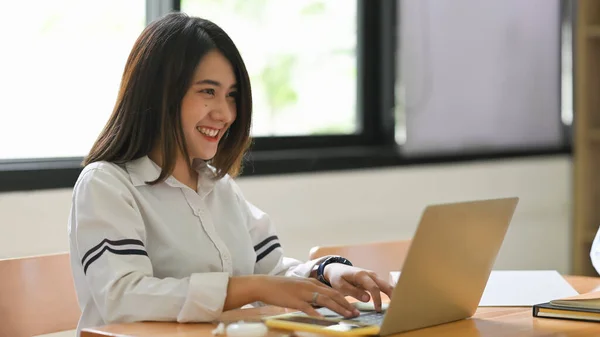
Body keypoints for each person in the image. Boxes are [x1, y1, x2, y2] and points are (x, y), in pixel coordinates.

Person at [67, 12, 393, 336]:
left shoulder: (219, 185)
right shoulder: (106, 184)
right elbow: (124, 298)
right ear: (159, 93)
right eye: (208, 91)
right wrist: (251, 288)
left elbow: (272, 272)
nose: (225, 114)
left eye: (231, 95)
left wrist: (327, 271)